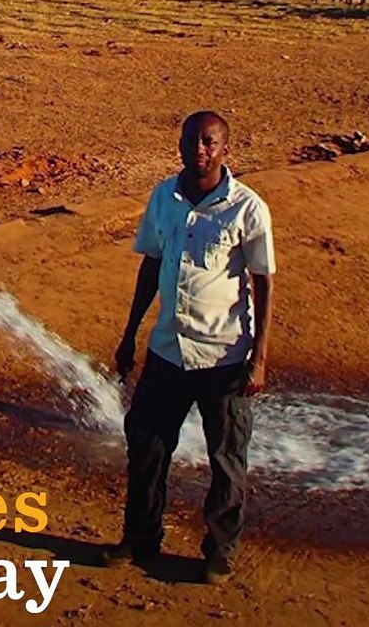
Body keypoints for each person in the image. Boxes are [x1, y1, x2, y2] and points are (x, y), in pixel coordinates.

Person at [102, 110, 275, 585]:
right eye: (189, 140)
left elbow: (264, 284)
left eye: (207, 141)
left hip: (225, 357)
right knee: (148, 444)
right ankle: (139, 537)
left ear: (224, 149)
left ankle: (220, 550)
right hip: (168, 350)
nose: (197, 149)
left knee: (227, 458)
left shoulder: (247, 208)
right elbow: (150, 266)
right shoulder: (164, 197)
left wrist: (258, 359)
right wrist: (129, 333)